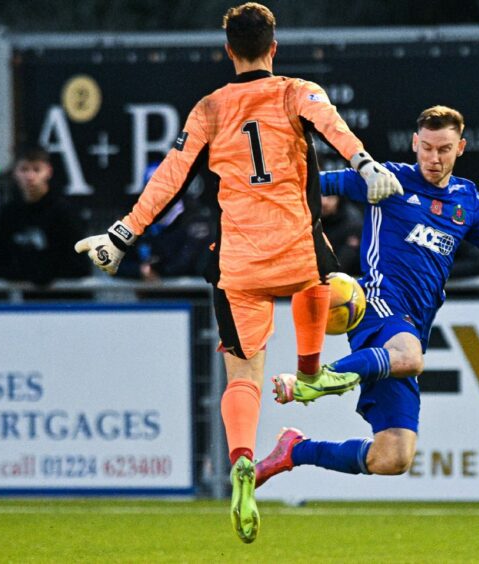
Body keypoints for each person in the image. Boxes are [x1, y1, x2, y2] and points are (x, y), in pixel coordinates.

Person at [74, 2, 402, 544]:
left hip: (238, 263)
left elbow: (170, 176)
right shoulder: (297, 90)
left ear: (229, 51)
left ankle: (243, 460)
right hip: (297, 250)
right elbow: (332, 125)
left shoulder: (209, 108)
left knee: (242, 375)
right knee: (323, 277)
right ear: (274, 46)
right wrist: (366, 165)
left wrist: (121, 235)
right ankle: (312, 372)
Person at [257, 105, 479, 489]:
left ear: (460, 147)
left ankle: (295, 450)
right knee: (410, 358)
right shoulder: (387, 180)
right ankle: (319, 378)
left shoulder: (469, 203)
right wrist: (263, 189)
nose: (434, 157)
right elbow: (313, 182)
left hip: (412, 326)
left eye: (444, 149)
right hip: (379, 304)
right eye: (427, 147)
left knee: (393, 456)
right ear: (415, 143)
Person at [0, 146, 89, 285]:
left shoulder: (65, 212)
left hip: (62, 297)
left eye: (36, 169)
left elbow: (79, 264)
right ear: (15, 173)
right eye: (24, 169)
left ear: (48, 171)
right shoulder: (9, 213)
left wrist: (40, 273)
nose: (30, 176)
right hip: (21, 298)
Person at [320, 194, 363, 276]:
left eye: (329, 197)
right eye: (320, 196)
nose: (324, 202)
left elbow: (346, 259)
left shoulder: (353, 223)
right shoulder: (311, 220)